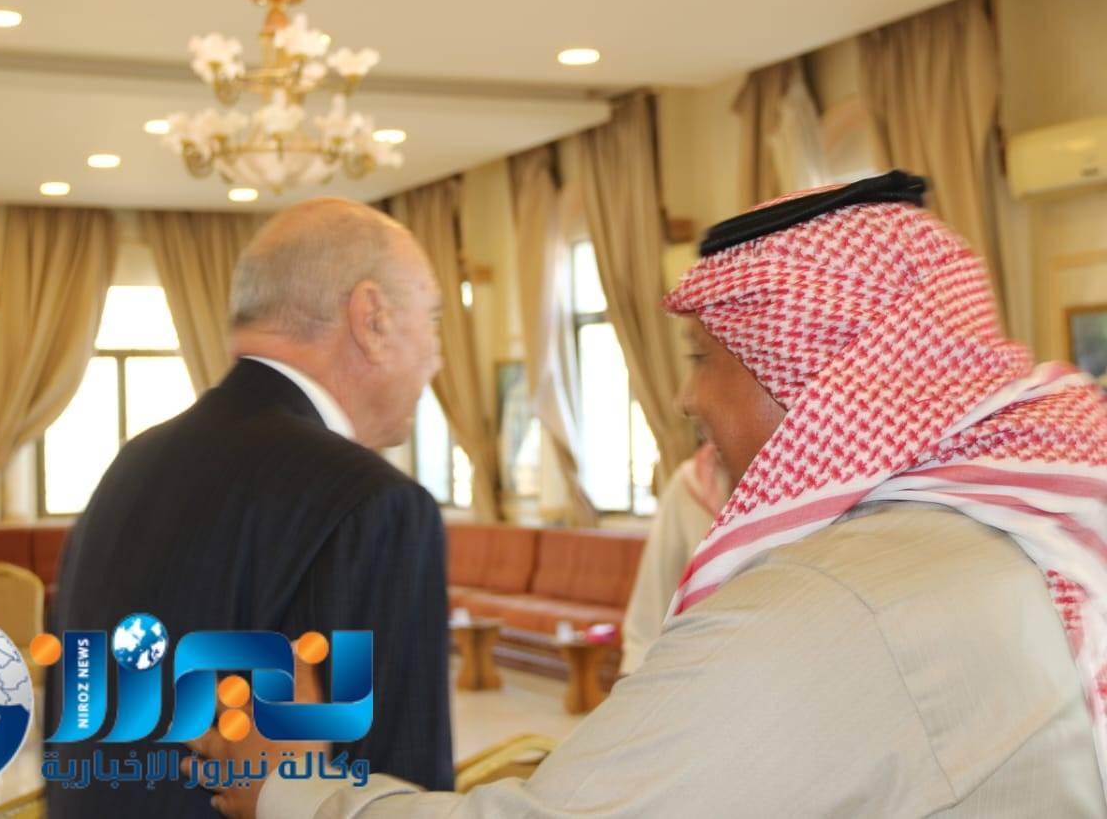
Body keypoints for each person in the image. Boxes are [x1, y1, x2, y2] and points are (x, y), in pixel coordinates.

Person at [236, 171, 1107, 817]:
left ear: (812, 373)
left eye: (702, 358)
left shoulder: (821, 607)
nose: (686, 398)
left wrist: (286, 785)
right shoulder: (1009, 536)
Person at [45, 198, 454, 817]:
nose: (438, 357)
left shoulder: (134, 462)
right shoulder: (373, 503)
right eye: (433, 319)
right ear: (372, 318)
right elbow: (394, 793)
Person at [619, 443, 729, 675]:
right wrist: (637, 668)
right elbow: (655, 592)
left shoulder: (799, 480)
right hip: (699, 663)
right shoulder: (691, 483)